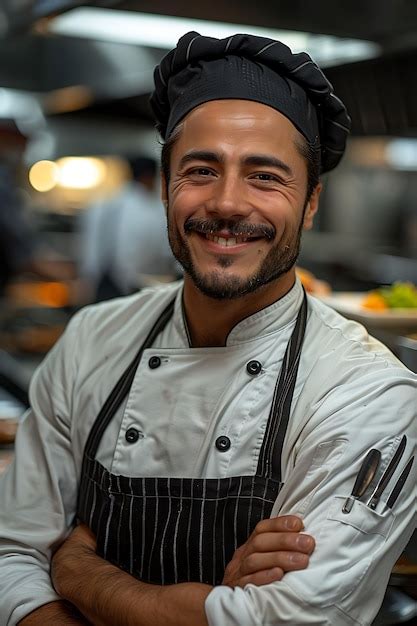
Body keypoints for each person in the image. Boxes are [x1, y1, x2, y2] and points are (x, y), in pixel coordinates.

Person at [0, 31, 416, 626]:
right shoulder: (92, 339)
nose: (226, 203)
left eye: (265, 176)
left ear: (313, 201)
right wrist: (202, 605)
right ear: (167, 182)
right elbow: (10, 554)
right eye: (200, 169)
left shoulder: (365, 392)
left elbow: (284, 619)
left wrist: (78, 571)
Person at [79, 155, 177, 302]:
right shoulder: (151, 210)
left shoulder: (105, 202)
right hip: (133, 285)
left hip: (101, 281)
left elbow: (88, 247)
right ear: (149, 176)